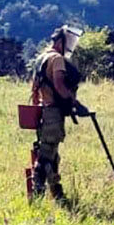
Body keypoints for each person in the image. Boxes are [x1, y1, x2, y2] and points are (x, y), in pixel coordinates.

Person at [29, 26, 89, 202]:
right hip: (53, 112)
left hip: (43, 110)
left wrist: (37, 110)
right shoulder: (57, 60)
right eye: (69, 42)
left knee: (53, 154)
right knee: (46, 155)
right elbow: (59, 85)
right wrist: (74, 102)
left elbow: (34, 90)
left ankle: (57, 194)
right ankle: (37, 195)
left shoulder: (41, 59)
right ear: (61, 42)